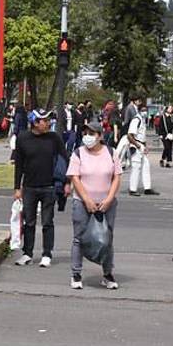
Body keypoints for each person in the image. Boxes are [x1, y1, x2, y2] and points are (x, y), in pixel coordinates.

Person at [67, 119, 121, 290]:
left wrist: (109, 198)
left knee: (107, 238)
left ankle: (107, 274)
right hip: (82, 202)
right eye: (85, 133)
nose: (87, 137)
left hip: (107, 203)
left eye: (91, 134)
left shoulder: (111, 152)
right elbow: (75, 177)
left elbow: (117, 177)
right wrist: (87, 200)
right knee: (79, 238)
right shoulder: (78, 153)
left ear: (100, 136)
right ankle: (76, 274)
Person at [12, 108, 69, 267]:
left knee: (47, 222)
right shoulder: (23, 138)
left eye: (48, 120)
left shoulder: (54, 138)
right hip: (29, 186)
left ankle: (46, 254)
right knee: (29, 222)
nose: (48, 122)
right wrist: (17, 187)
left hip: (49, 186)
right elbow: (19, 164)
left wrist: (67, 182)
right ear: (35, 123)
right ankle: (27, 253)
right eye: (45, 120)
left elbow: (65, 159)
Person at [122, 97, 158, 196]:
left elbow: (142, 136)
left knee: (146, 166)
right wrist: (138, 146)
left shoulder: (141, 120)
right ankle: (132, 189)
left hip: (141, 145)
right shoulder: (136, 119)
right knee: (136, 167)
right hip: (136, 145)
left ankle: (147, 188)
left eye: (146, 110)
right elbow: (130, 135)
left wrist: (144, 146)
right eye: (143, 110)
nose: (145, 112)